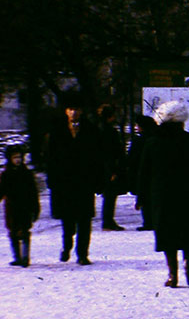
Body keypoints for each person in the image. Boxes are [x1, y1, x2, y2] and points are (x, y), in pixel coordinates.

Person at [138, 100, 189, 288]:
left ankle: (172, 274)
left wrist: (141, 196)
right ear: (181, 121)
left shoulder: (152, 141)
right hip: (185, 191)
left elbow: (144, 171)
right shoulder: (187, 139)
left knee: (167, 233)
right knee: (187, 231)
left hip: (161, 193)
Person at [44, 93, 104, 265]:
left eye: (76, 109)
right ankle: (67, 246)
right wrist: (53, 180)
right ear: (65, 112)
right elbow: (51, 158)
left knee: (85, 220)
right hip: (65, 183)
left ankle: (83, 254)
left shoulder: (91, 130)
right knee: (68, 221)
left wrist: (98, 180)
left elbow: (97, 157)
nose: (74, 113)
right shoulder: (56, 131)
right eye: (71, 110)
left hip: (84, 182)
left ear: (82, 111)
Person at [0, 145, 39, 267]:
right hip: (12, 207)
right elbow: (2, 190)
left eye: (19, 157)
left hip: (25, 205)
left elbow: (33, 191)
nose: (17, 160)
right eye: (15, 157)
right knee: (13, 231)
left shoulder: (27, 173)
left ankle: (25, 257)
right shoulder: (6, 174)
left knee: (25, 231)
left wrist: (35, 207)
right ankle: (17, 257)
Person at [97, 104, 126, 230]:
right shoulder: (108, 131)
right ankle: (108, 220)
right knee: (110, 195)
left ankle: (107, 220)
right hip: (109, 167)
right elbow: (111, 151)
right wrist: (113, 170)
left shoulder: (99, 129)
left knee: (108, 195)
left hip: (104, 167)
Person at [127, 115, 158, 230]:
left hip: (141, 171)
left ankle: (148, 222)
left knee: (144, 196)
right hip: (154, 172)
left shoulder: (139, 140)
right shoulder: (155, 138)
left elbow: (132, 158)